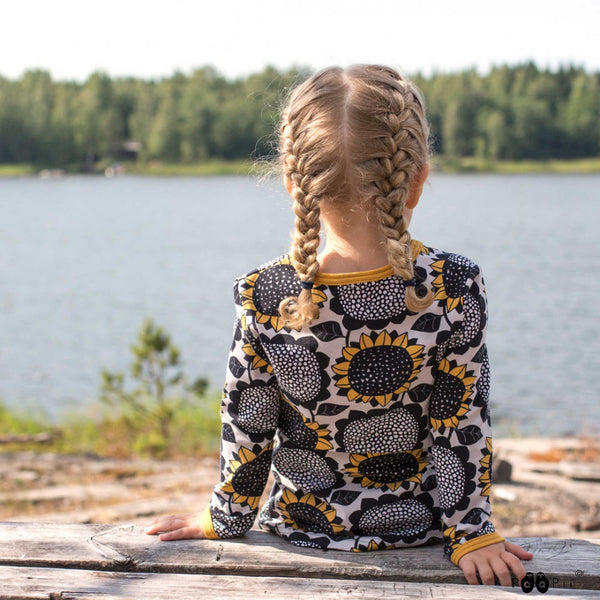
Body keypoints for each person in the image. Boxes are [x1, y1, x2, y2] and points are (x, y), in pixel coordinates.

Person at [144, 64, 534, 586]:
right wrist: (471, 533)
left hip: (299, 534)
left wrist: (226, 517)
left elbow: (249, 423)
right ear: (416, 181)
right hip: (420, 531)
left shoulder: (265, 294)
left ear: (292, 184)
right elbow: (460, 422)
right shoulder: (453, 286)